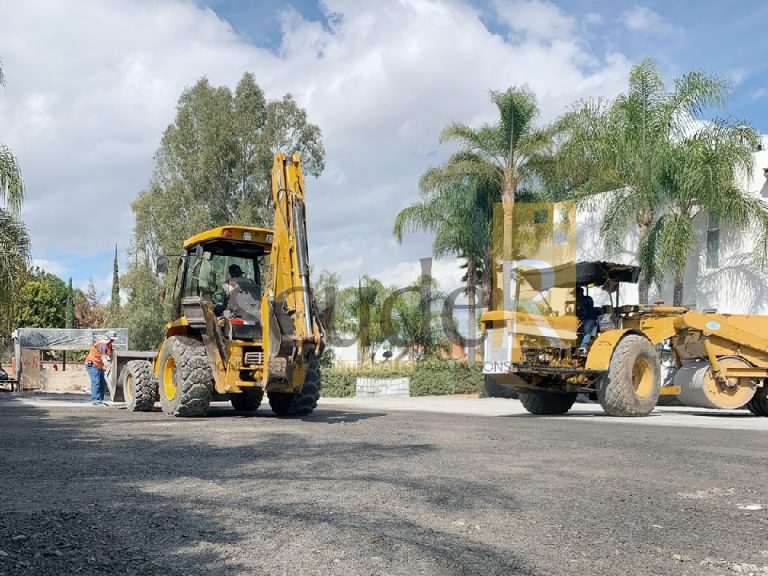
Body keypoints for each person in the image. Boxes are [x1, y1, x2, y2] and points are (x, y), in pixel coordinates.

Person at [85, 331, 116, 406]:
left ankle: (100, 400)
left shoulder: (109, 345)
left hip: (98, 365)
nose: (113, 340)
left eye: (114, 339)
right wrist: (107, 367)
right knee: (96, 382)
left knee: (103, 383)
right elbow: (104, 357)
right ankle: (95, 401)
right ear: (108, 338)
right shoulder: (102, 344)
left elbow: (110, 356)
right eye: (112, 339)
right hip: (92, 364)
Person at [575, 287, 597, 352]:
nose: (577, 295)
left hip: (590, 319)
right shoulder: (575, 301)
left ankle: (583, 346)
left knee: (587, 329)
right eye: (576, 293)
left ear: (581, 292)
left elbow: (587, 305)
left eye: (578, 293)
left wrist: (578, 302)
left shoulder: (588, 299)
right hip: (580, 320)